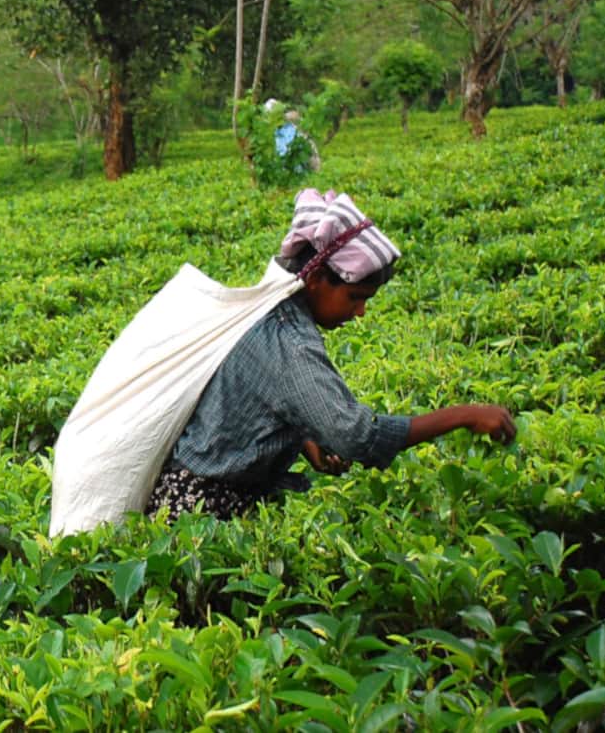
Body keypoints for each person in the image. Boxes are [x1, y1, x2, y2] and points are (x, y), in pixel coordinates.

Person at [143, 190, 516, 521]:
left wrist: (305, 440)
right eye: (356, 298)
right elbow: (357, 437)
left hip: (201, 493)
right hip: (201, 509)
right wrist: (463, 415)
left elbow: (249, 400)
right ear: (318, 278)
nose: (360, 313)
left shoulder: (267, 310)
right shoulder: (290, 342)